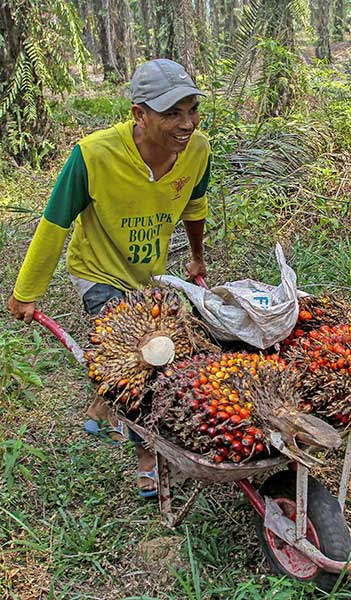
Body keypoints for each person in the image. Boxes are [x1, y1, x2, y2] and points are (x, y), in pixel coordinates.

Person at [6, 58, 212, 498]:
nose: (187, 123)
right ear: (139, 114)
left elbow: (195, 208)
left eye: (192, 109)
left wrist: (196, 259)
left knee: (157, 348)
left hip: (148, 273)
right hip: (97, 270)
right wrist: (27, 291)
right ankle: (147, 456)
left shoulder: (198, 152)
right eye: (172, 113)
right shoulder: (93, 155)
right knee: (143, 363)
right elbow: (55, 222)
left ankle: (101, 408)